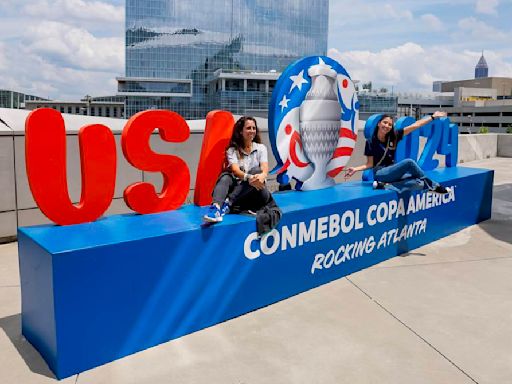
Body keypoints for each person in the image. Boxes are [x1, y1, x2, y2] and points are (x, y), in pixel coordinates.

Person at [344, 112, 451, 194]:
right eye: (385, 123)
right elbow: (370, 164)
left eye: (390, 124)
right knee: (409, 162)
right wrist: (355, 169)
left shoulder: (394, 136)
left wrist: (432, 117)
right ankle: (435, 186)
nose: (387, 126)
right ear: (378, 124)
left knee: (419, 183)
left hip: (393, 171)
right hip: (381, 173)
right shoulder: (371, 142)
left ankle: (386, 186)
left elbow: (415, 125)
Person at [203, 116, 272, 223]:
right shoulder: (232, 150)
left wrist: (261, 176)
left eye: (254, 128)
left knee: (256, 171)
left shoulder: (261, 148)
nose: (252, 131)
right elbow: (235, 170)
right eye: (248, 128)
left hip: (258, 194)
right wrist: (249, 178)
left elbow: (264, 168)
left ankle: (228, 202)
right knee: (226, 176)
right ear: (240, 131)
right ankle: (216, 208)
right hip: (241, 194)